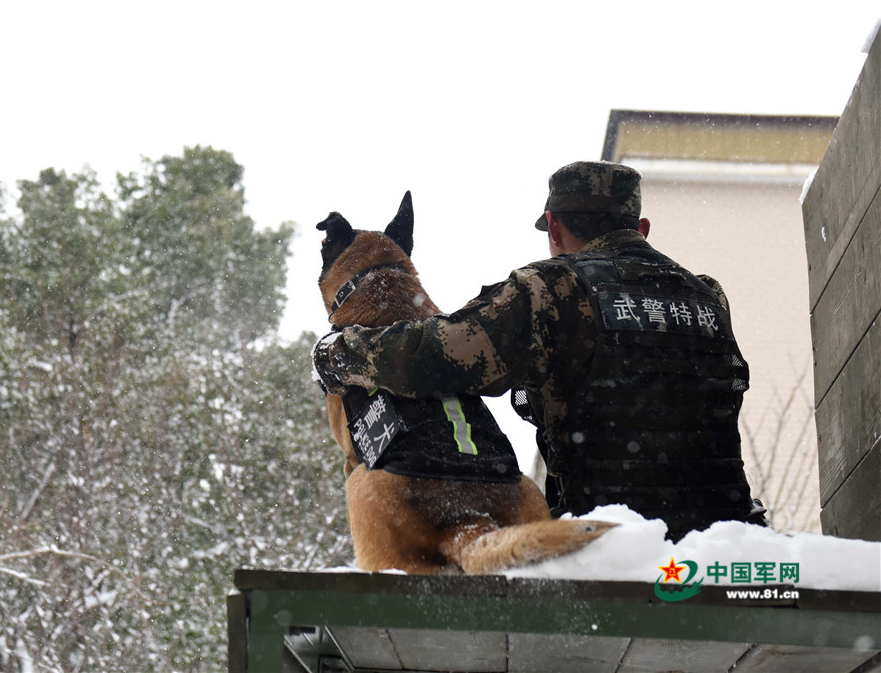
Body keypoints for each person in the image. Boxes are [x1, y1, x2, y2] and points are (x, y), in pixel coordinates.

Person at [312, 161, 767, 541]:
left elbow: (431, 354)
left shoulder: (552, 290)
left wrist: (338, 354)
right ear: (641, 230)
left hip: (613, 543)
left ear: (553, 226)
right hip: (726, 539)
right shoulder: (708, 296)